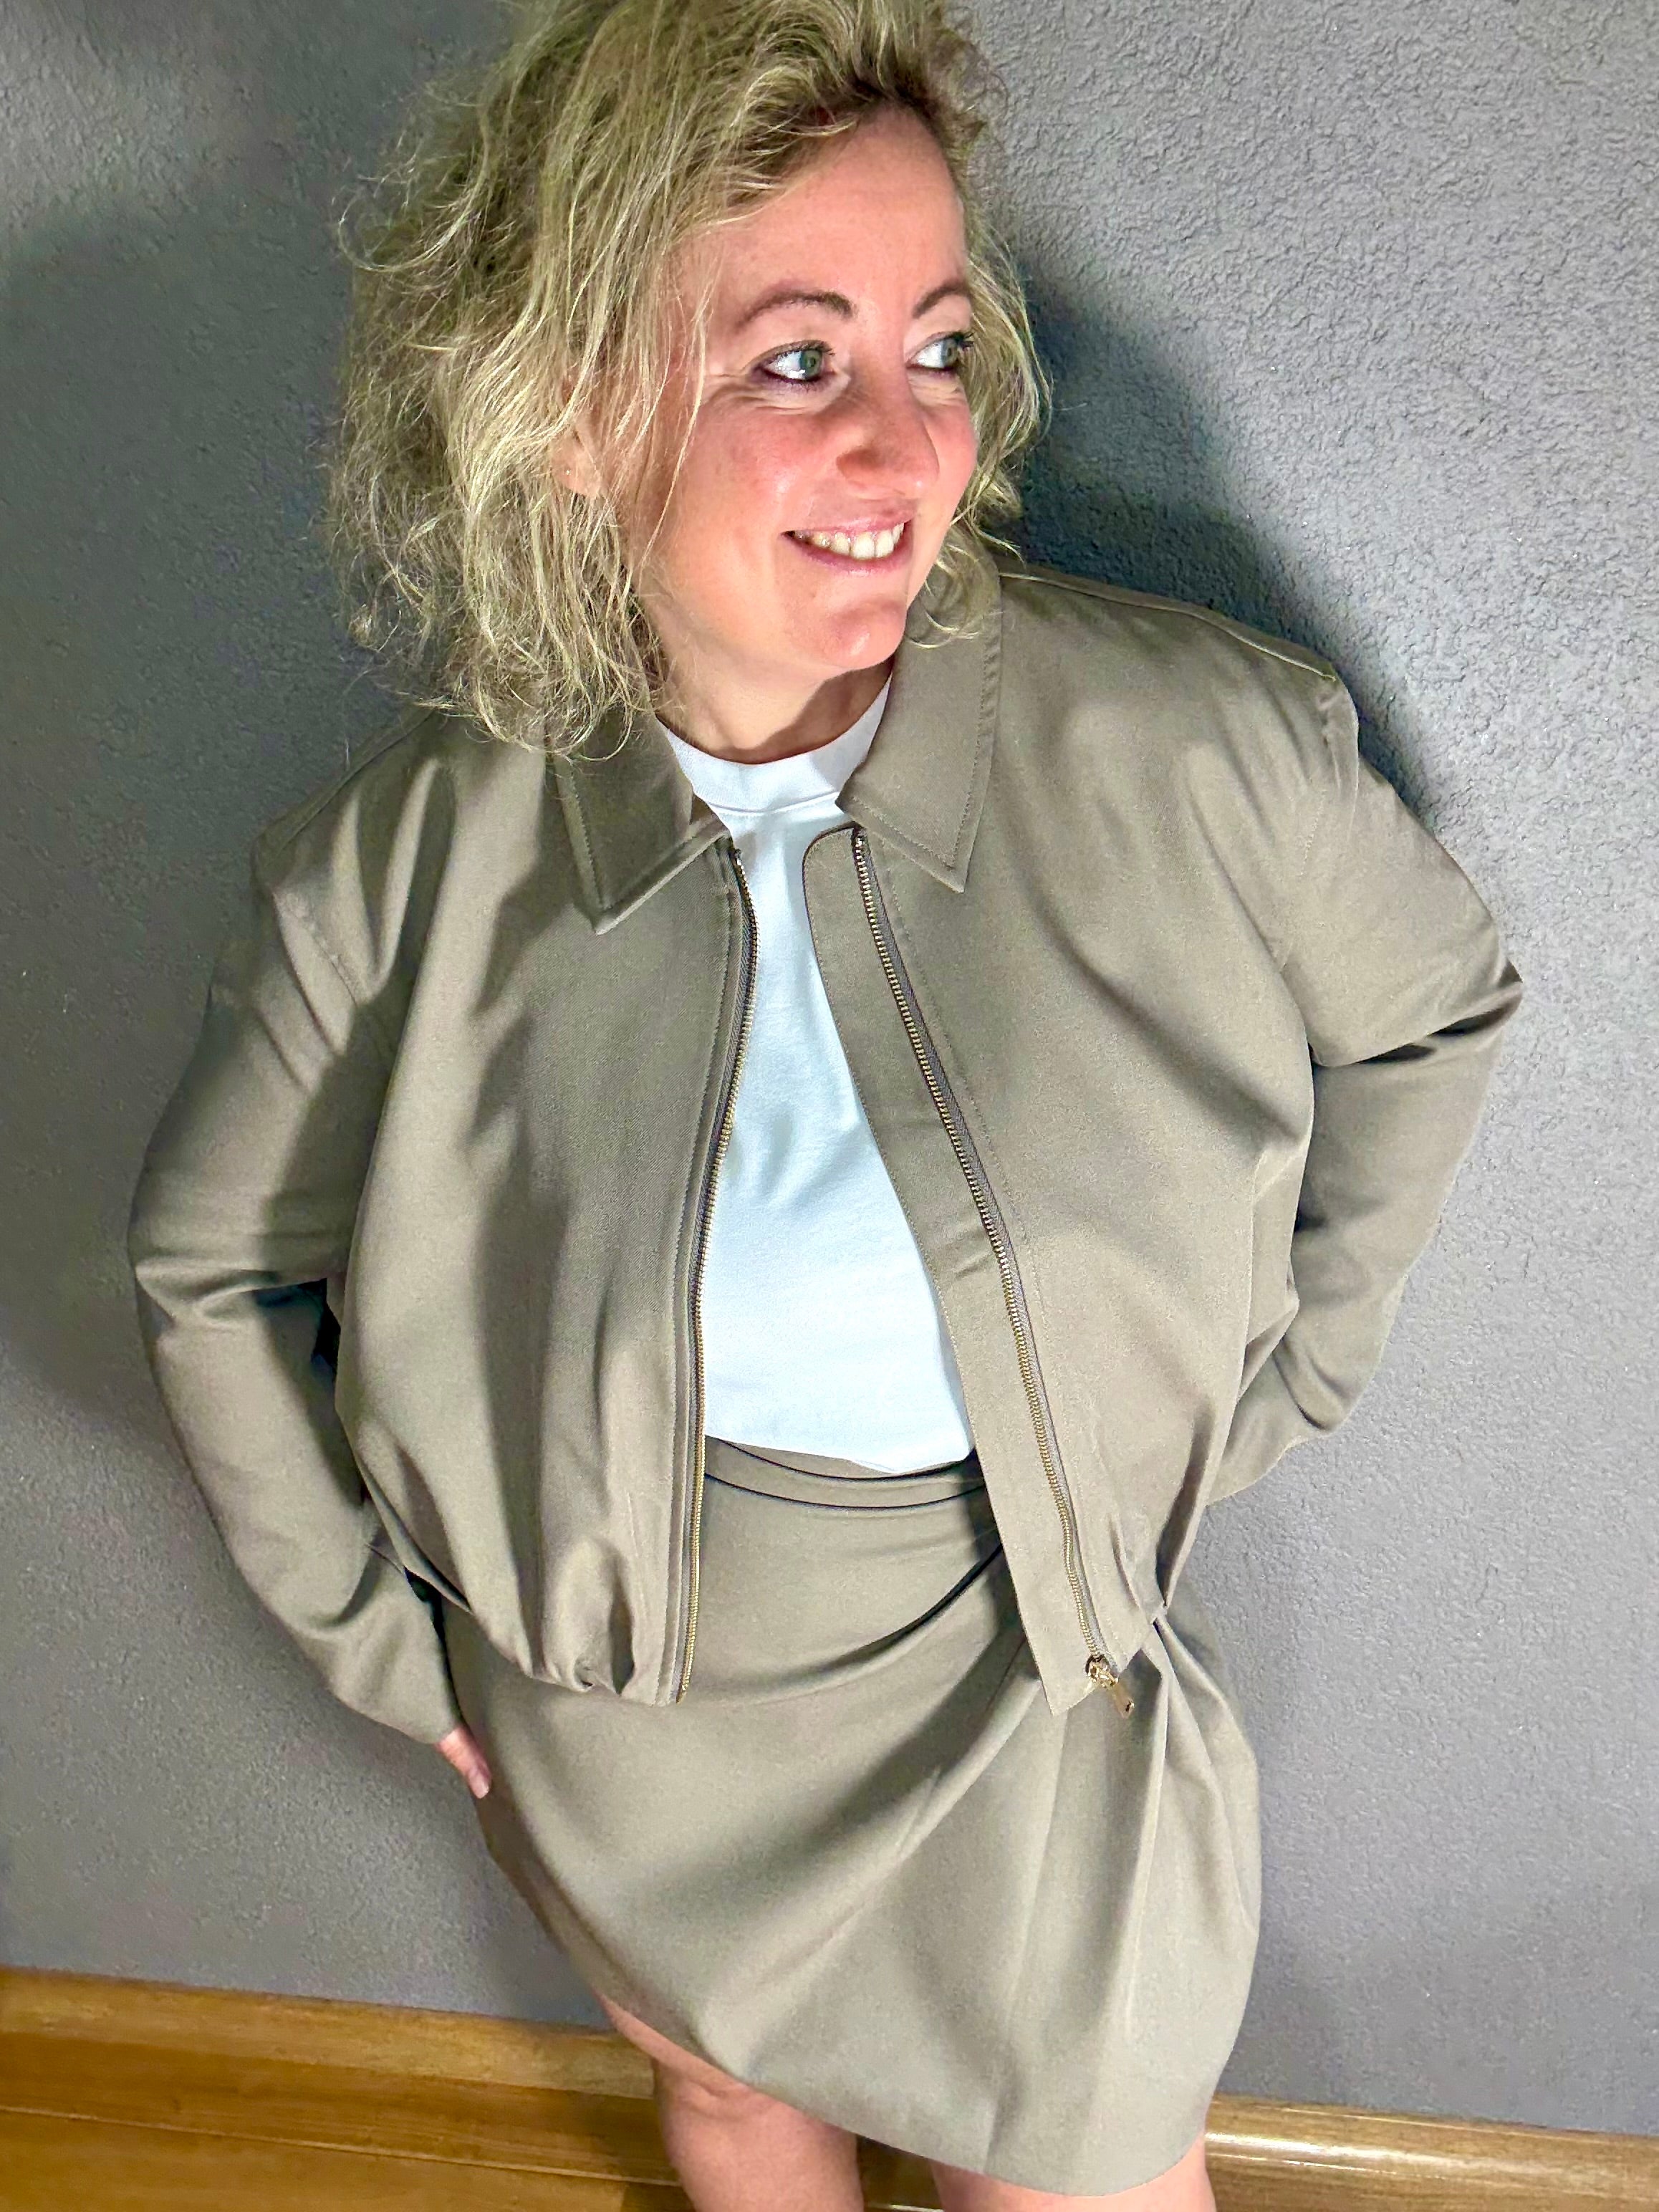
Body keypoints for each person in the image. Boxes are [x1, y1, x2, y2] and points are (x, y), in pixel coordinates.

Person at [124, 2, 1524, 2207]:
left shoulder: (1195, 748)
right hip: (633, 1713)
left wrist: (1286, 1370)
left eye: (935, 347)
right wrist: (390, 1654)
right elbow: (211, 1269)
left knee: (1081, 2160)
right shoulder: (397, 874)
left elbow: (1430, 1013)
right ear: (567, 415)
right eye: (796, 360)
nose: (904, 442)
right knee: (724, 2099)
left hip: (1032, 1676)